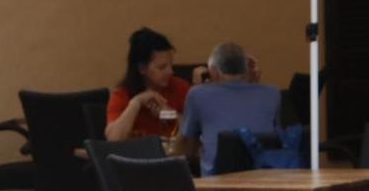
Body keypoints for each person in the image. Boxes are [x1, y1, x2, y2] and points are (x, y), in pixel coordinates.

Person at [178, 42, 280, 175]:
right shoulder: (272, 94)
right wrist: (253, 84)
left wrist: (198, 87)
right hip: (264, 188)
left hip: (216, 189)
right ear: (247, 69)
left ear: (213, 72)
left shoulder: (197, 94)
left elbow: (188, 151)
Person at [103, 26, 190, 142]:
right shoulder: (122, 94)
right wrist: (136, 103)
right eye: (162, 67)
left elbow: (199, 130)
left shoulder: (181, 87)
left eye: (170, 65)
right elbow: (113, 140)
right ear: (142, 68)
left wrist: (169, 113)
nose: (170, 71)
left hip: (175, 157)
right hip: (137, 158)